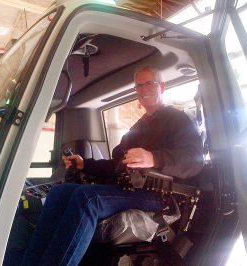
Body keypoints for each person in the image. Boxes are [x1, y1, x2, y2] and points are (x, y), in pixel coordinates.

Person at [21, 65, 204, 266]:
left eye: (149, 84)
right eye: (139, 86)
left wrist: (154, 158)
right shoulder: (137, 128)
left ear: (161, 86)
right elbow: (115, 164)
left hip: (158, 196)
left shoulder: (178, 120)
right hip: (127, 189)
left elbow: (194, 161)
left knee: (88, 198)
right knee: (59, 193)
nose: (143, 90)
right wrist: (85, 164)